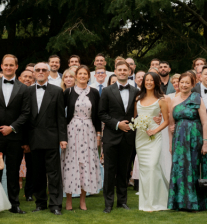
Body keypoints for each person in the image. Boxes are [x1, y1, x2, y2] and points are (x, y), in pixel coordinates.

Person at [167, 71, 207, 211]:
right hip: (179, 141)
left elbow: (205, 123)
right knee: (181, 170)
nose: (184, 85)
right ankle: (181, 202)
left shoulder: (197, 97)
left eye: (187, 83)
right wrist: (170, 144)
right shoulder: (172, 100)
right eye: (182, 82)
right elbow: (171, 125)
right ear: (178, 83)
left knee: (195, 168)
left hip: (196, 139)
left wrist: (205, 143)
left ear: (193, 85)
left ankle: (199, 202)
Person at [0, 54, 31, 214]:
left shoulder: (24, 88)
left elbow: (26, 113)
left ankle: (14, 204)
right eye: (6, 65)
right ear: (2, 66)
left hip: (14, 136)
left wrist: (12, 127)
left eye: (12, 65)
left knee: (13, 171)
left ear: (16, 67)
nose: (9, 67)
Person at [25, 62, 67, 215]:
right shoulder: (27, 91)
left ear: (49, 73)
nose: (41, 72)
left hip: (51, 138)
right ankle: (40, 203)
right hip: (34, 139)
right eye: (38, 70)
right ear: (34, 73)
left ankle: (55, 205)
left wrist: (63, 138)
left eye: (44, 70)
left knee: (54, 173)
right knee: (37, 173)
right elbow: (25, 117)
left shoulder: (56, 91)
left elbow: (61, 117)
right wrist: (25, 141)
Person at [98, 60, 139, 212]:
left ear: (129, 72)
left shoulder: (136, 91)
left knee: (124, 170)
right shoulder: (108, 91)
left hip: (128, 137)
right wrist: (117, 124)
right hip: (111, 136)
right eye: (120, 69)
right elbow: (101, 113)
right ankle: (108, 203)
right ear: (115, 71)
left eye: (125, 70)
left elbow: (138, 113)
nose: (122, 72)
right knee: (109, 171)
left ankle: (122, 201)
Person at [62, 65, 102, 211]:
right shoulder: (69, 92)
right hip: (72, 130)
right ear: (76, 76)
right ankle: (68, 200)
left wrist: (98, 134)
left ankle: (83, 200)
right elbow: (62, 114)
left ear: (88, 76)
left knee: (86, 164)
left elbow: (97, 115)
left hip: (89, 130)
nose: (83, 76)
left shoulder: (95, 92)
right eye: (80, 74)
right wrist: (62, 136)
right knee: (70, 163)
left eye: (85, 74)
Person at [133, 71, 170, 212]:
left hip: (154, 137)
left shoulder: (161, 100)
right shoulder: (138, 98)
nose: (148, 82)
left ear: (156, 83)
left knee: (153, 166)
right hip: (141, 137)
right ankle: (146, 202)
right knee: (144, 169)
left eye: (151, 80)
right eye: (146, 80)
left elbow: (166, 121)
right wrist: (138, 124)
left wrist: (155, 130)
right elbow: (134, 117)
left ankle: (157, 201)